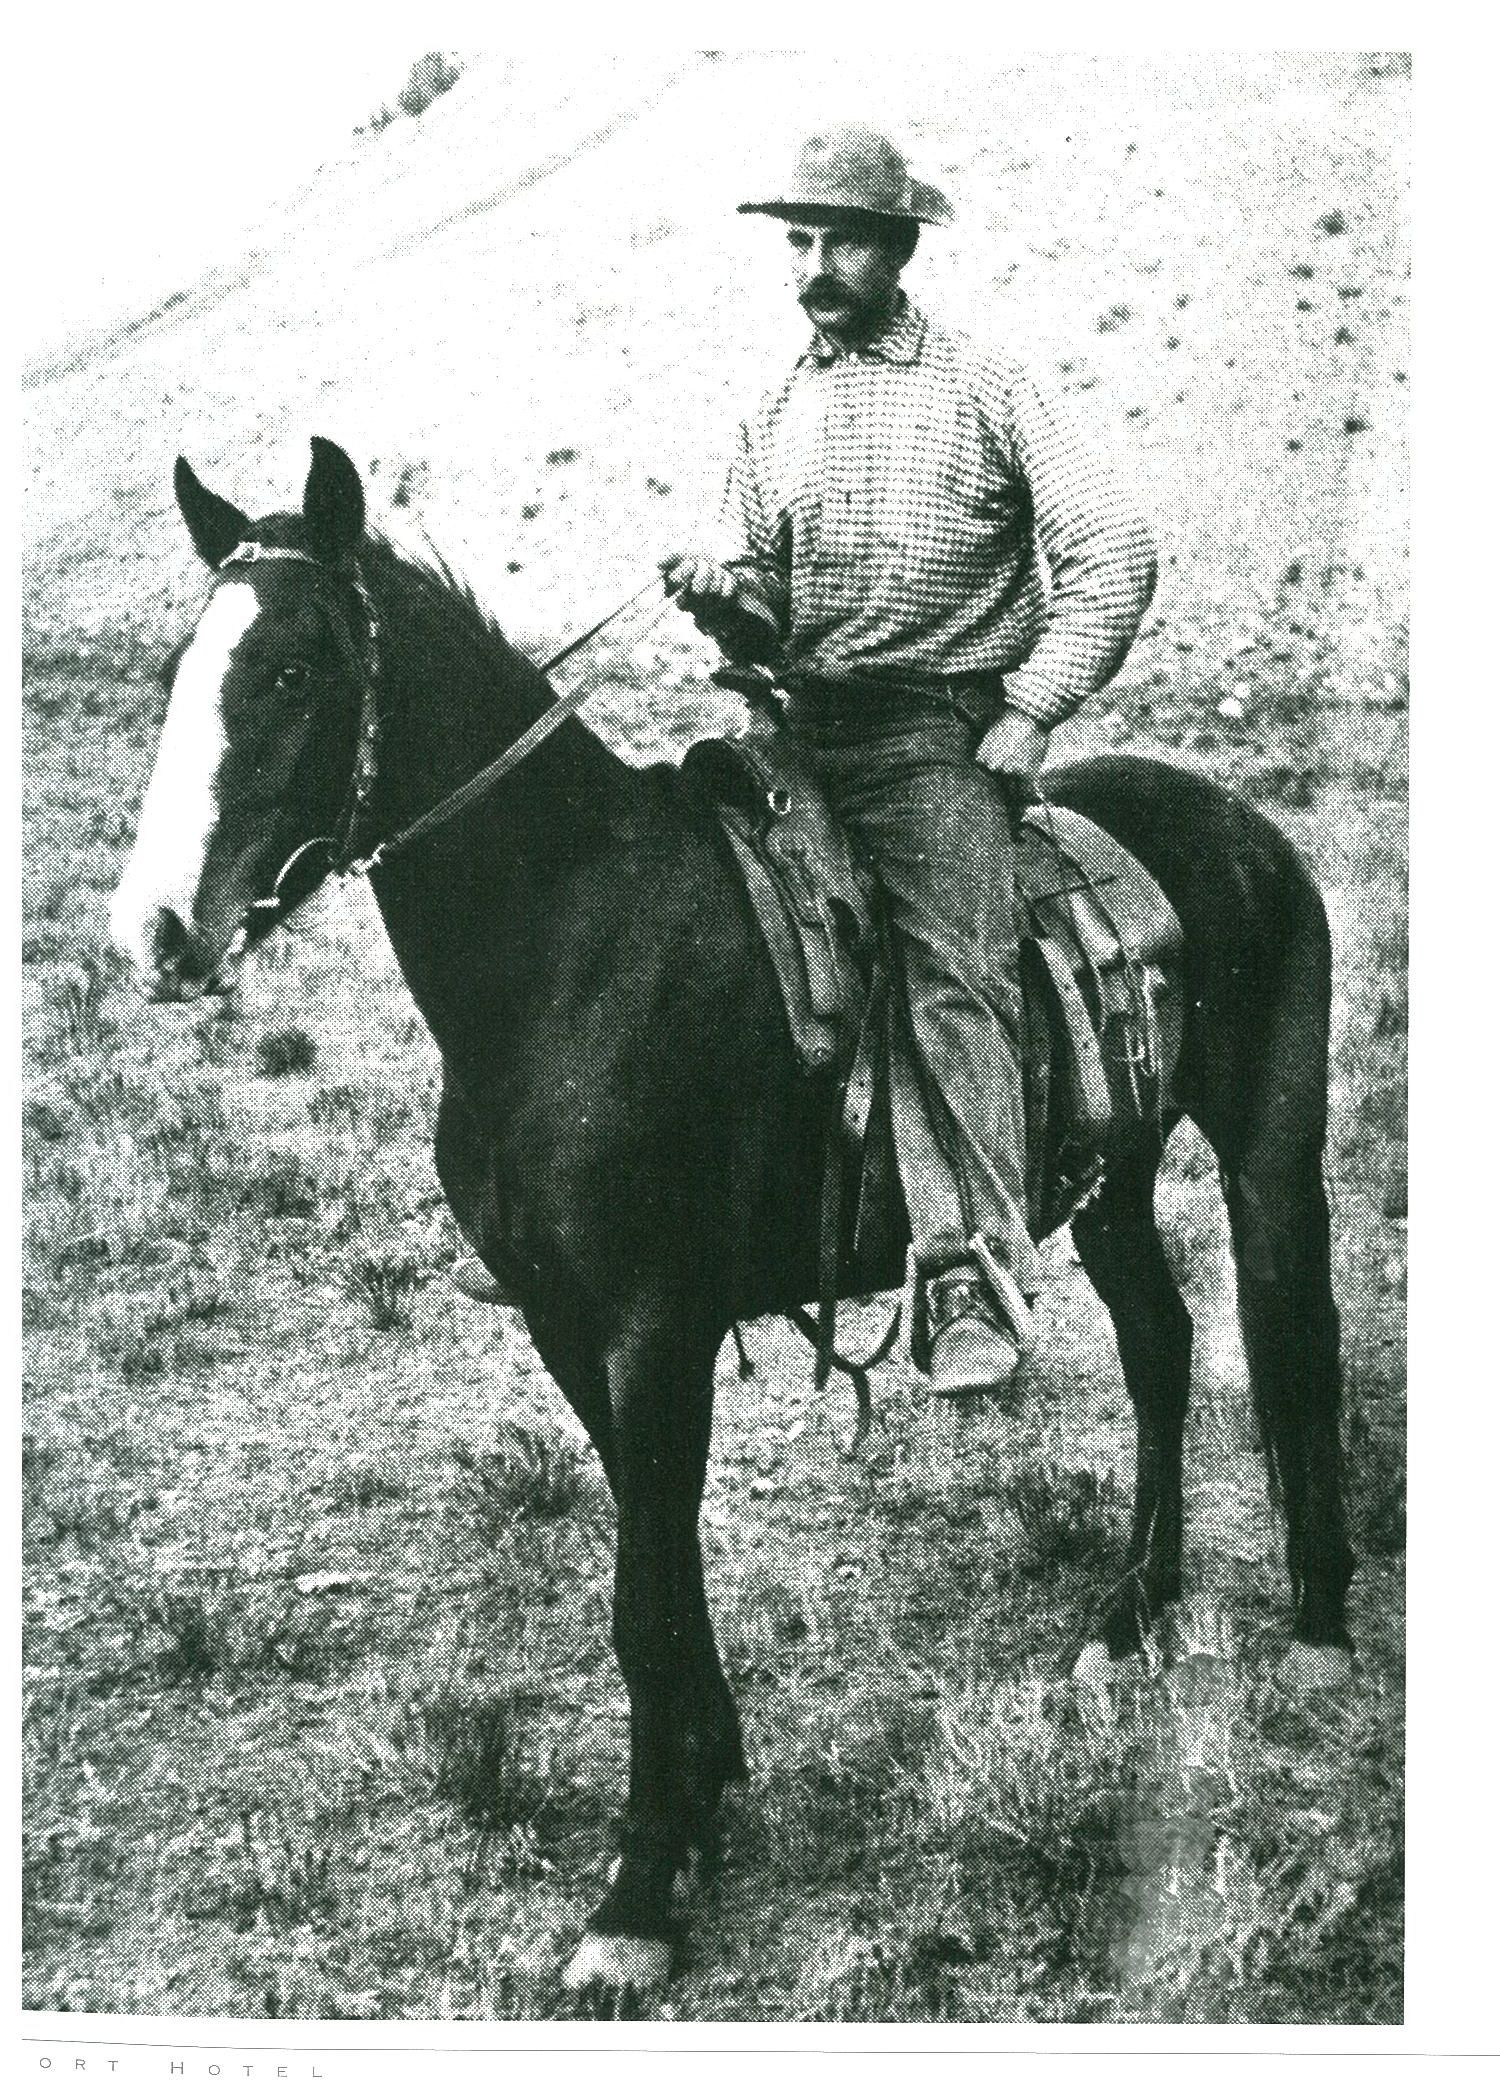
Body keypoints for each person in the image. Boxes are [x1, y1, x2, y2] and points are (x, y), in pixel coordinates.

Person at [663, 125, 1157, 1398]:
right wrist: (729, 597)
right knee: (681, 912)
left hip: (931, 734)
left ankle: (967, 1277)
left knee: (955, 969)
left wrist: (1035, 704)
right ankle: (623, 1195)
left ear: (898, 246)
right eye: (799, 241)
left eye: (842, 240)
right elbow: (771, 600)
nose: (815, 267)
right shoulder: (775, 409)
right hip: (793, 727)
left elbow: (1114, 551)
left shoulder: (989, 387)